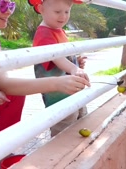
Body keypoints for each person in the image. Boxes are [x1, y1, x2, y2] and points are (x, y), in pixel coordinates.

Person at [0, 0, 90, 134]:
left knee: (14, 96)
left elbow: (1, 80)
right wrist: (57, 83)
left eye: (11, 5)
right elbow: (4, 83)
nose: (9, 11)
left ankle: (6, 147)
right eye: (3, 5)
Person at [29, 0, 90, 136]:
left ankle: (77, 153)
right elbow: (56, 57)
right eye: (57, 12)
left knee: (81, 119)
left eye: (67, 12)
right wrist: (74, 69)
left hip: (72, 90)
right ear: (41, 9)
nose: (63, 16)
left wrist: (76, 63)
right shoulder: (44, 34)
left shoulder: (58, 30)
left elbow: (64, 58)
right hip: (58, 95)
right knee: (63, 126)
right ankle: (58, 155)